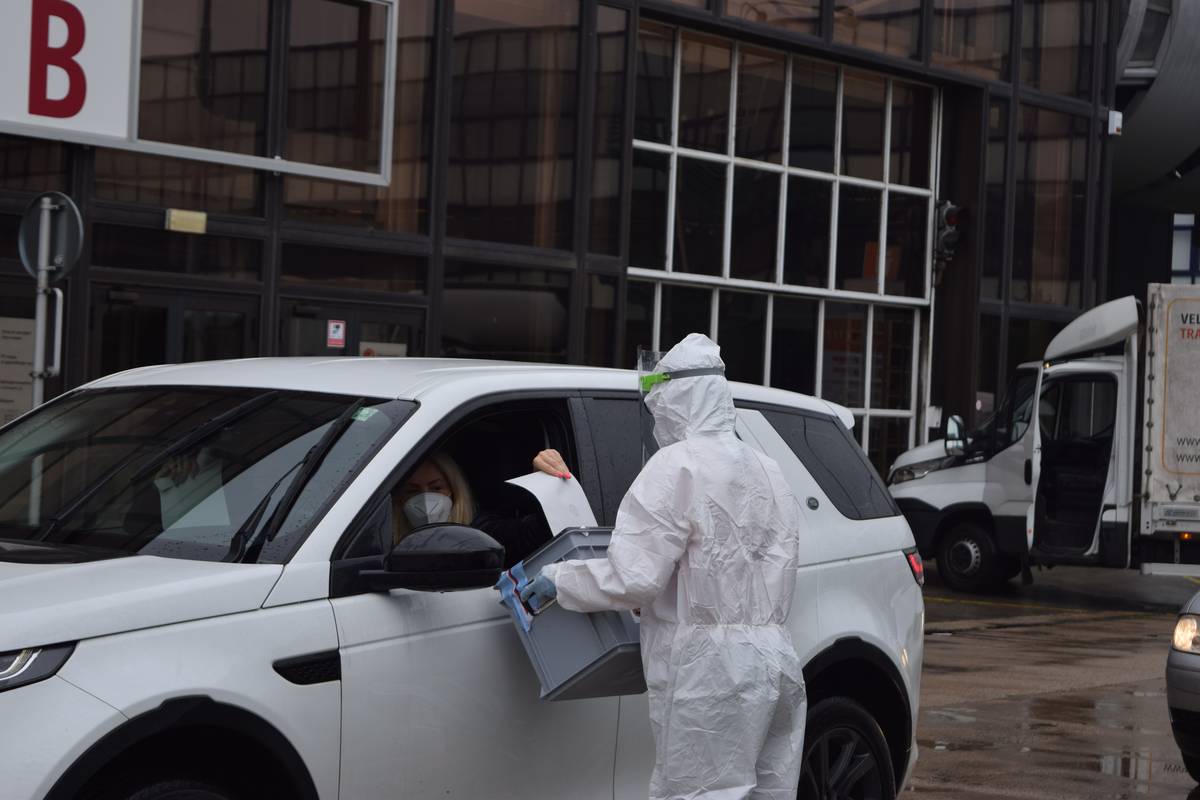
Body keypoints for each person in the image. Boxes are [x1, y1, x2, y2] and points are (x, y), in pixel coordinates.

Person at [521, 333, 807, 799]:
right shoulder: (767, 468)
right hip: (775, 660)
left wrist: (559, 579)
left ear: (675, 401)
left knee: (701, 793)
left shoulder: (677, 466)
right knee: (768, 792)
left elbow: (633, 578)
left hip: (709, 671)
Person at [392, 448, 572, 567]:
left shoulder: (481, 531)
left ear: (453, 491)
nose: (425, 499)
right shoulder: (384, 538)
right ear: (399, 498)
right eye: (412, 491)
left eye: (436, 488)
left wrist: (546, 483)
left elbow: (536, 532)